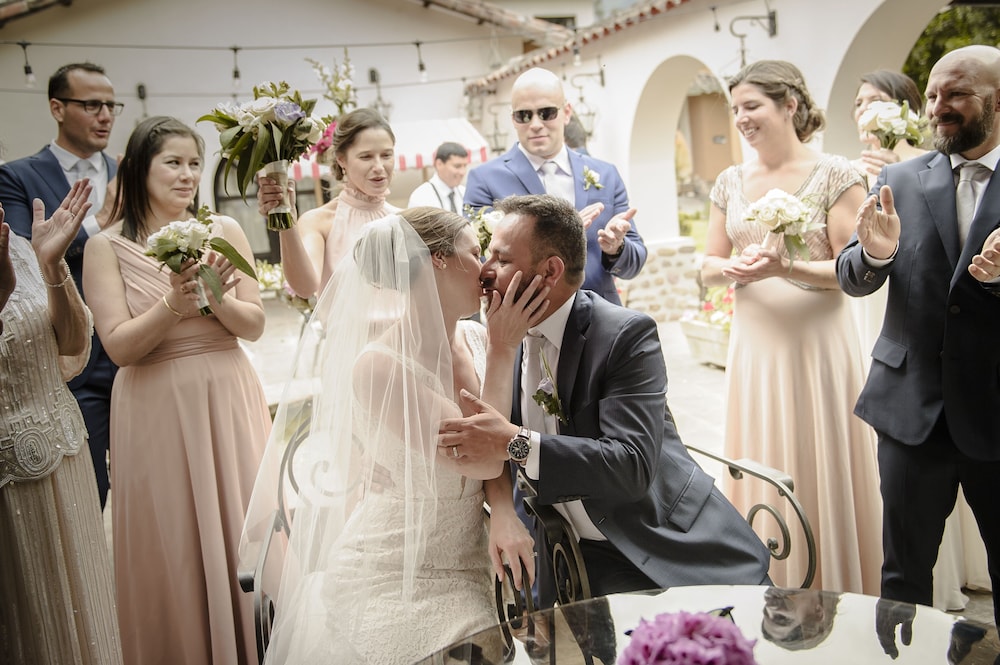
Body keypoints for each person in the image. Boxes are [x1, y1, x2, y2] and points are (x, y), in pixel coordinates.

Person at [439, 193, 771, 609]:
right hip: (577, 555)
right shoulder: (506, 337)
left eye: (501, 260)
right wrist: (503, 508)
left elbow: (631, 464)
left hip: (669, 545)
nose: (485, 273)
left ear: (550, 271)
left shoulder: (622, 335)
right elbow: (490, 444)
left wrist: (516, 442)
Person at [242, 207, 539, 664]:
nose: (486, 268)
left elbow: (492, 460)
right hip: (392, 570)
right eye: (475, 251)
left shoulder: (478, 339)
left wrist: (502, 507)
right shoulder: (379, 367)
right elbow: (483, 457)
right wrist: (504, 350)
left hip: (467, 563)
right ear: (437, 259)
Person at [83, 116, 270, 665]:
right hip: (154, 404)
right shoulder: (106, 248)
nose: (188, 174)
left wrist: (214, 298)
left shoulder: (225, 232)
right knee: (174, 539)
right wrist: (172, 307)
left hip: (226, 391)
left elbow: (254, 324)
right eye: (173, 162)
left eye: (194, 163)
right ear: (140, 168)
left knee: (240, 526)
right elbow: (118, 347)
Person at [702, 60, 881, 594]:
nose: (741, 119)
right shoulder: (729, 180)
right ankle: (768, 584)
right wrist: (728, 269)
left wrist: (788, 268)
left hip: (818, 350)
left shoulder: (836, 174)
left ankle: (839, 585)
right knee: (762, 459)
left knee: (822, 461)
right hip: (756, 350)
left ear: (791, 106)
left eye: (752, 106)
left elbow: (852, 270)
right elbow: (708, 264)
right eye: (735, 109)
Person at [837, 44, 1000, 625]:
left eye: (956, 94)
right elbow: (851, 276)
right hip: (911, 410)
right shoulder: (900, 179)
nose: (937, 107)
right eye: (932, 95)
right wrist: (876, 256)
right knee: (903, 576)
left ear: (997, 99)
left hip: (994, 408)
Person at [0, 184, 123, 664]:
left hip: (65, 461)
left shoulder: (19, 246)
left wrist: (50, 266)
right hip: (10, 485)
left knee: (86, 608)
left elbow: (71, 347)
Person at [0, 62, 121, 508]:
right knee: (89, 492)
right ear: (57, 107)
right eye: (92, 104)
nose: (105, 115)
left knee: (151, 485)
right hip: (74, 358)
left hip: (138, 352)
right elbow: (23, 262)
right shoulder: (17, 176)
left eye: (110, 105)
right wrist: (99, 224)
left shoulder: (127, 169)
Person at [464, 67, 646, 306]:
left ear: (566, 112)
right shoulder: (485, 178)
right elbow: (480, 264)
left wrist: (617, 248)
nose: (536, 124)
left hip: (601, 321)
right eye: (524, 115)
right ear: (513, 119)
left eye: (547, 113)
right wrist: (562, 233)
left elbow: (634, 262)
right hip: (525, 321)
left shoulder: (605, 174)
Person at [257, 107, 398, 298]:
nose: (379, 167)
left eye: (386, 155)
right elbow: (305, 288)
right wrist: (287, 224)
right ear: (341, 160)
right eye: (366, 156)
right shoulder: (319, 222)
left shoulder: (403, 219)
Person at [852, 70, 928, 185]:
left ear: (906, 109)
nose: (862, 109)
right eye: (858, 104)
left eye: (876, 100)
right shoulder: (848, 170)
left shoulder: (931, 163)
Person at [407, 141, 469, 211]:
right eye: (457, 166)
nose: (462, 172)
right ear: (439, 164)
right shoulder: (421, 196)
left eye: (465, 166)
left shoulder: (464, 193)